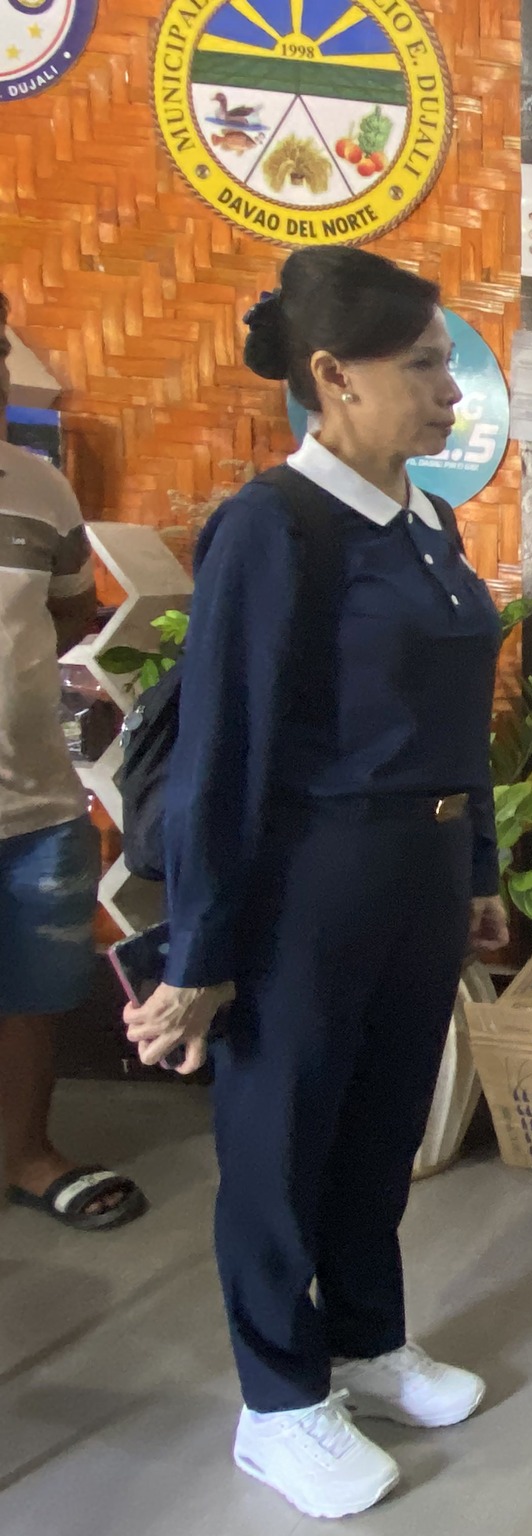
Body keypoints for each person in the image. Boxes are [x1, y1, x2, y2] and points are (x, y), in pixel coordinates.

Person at [121, 248, 509, 1519]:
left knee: (380, 1126)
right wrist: (200, 953)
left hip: (420, 869)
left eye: (445, 366)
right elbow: (224, 751)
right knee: (281, 1142)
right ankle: (280, 1406)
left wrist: (482, 868)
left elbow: (463, 716)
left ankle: (368, 1342)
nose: (448, 391)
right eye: (424, 368)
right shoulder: (271, 528)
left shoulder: (431, 525)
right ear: (333, 379)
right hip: (310, 881)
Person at [0, 293, 151, 1233]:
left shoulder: (40, 489)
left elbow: (66, 615)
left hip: (34, 803)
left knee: (34, 990)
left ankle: (25, 1154)